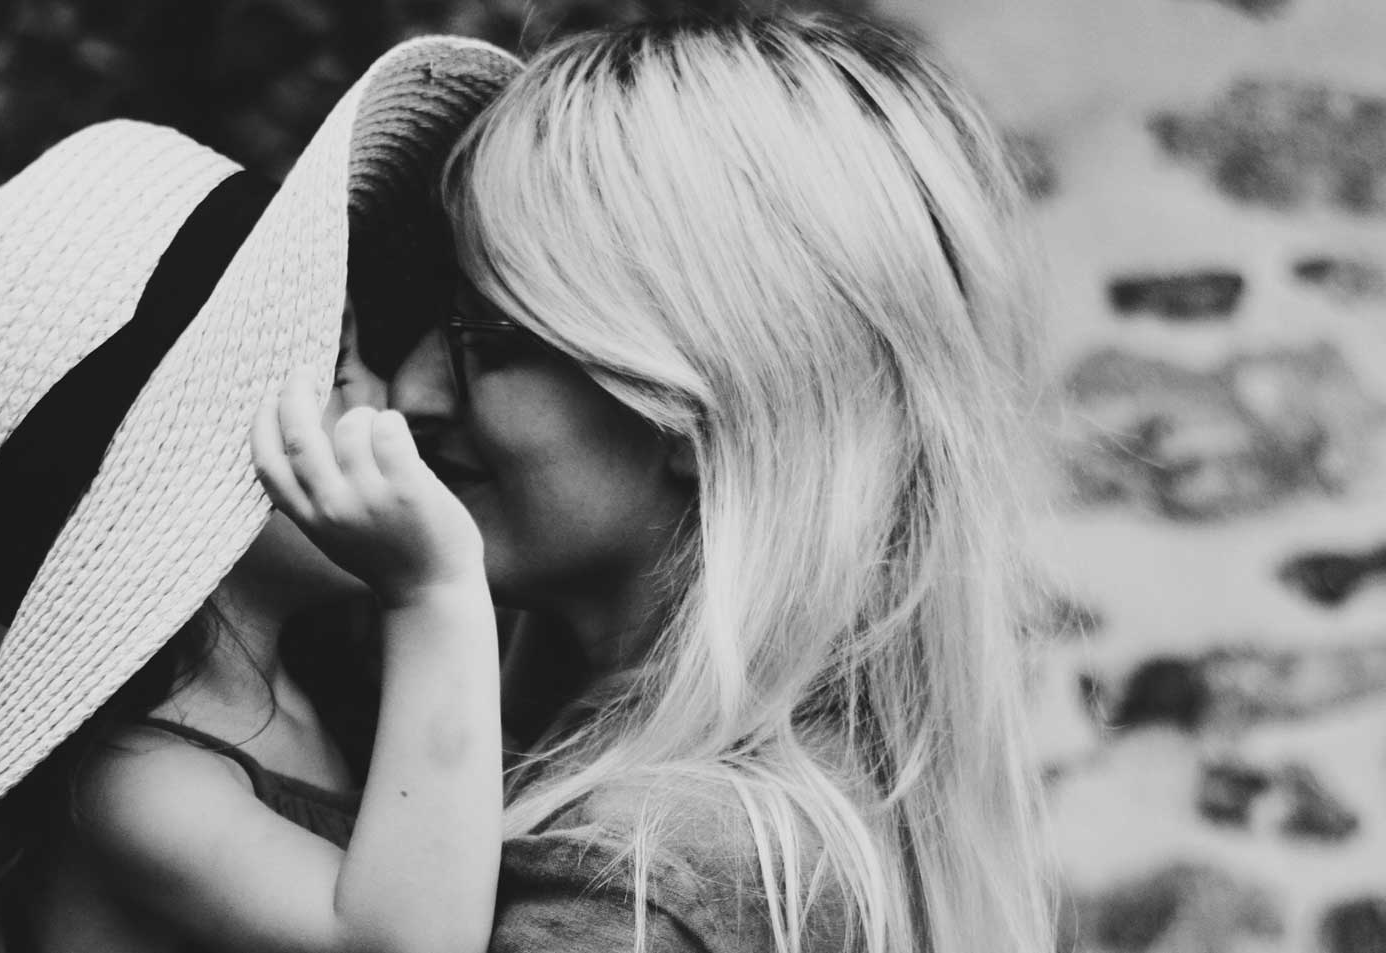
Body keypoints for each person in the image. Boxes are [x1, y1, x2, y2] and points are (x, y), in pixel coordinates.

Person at [382, 12, 1057, 953]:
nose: (411, 390)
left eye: (484, 342)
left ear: (699, 410)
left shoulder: (628, 891)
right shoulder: (859, 808)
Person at [0, 38, 523, 953]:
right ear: (193, 484)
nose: (389, 397)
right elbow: (406, 942)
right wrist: (435, 593)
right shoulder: (137, 782)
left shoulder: (321, 680)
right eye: (339, 371)